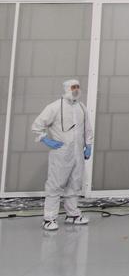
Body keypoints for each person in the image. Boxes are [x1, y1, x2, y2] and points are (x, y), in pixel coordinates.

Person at [32, 79, 93, 232]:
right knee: (55, 185)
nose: (76, 90)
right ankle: (49, 218)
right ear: (66, 89)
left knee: (75, 184)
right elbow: (37, 125)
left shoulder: (81, 107)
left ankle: (72, 214)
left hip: (78, 153)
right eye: (73, 87)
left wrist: (89, 145)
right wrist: (45, 139)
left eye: (78, 87)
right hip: (61, 153)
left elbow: (88, 128)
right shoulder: (54, 107)